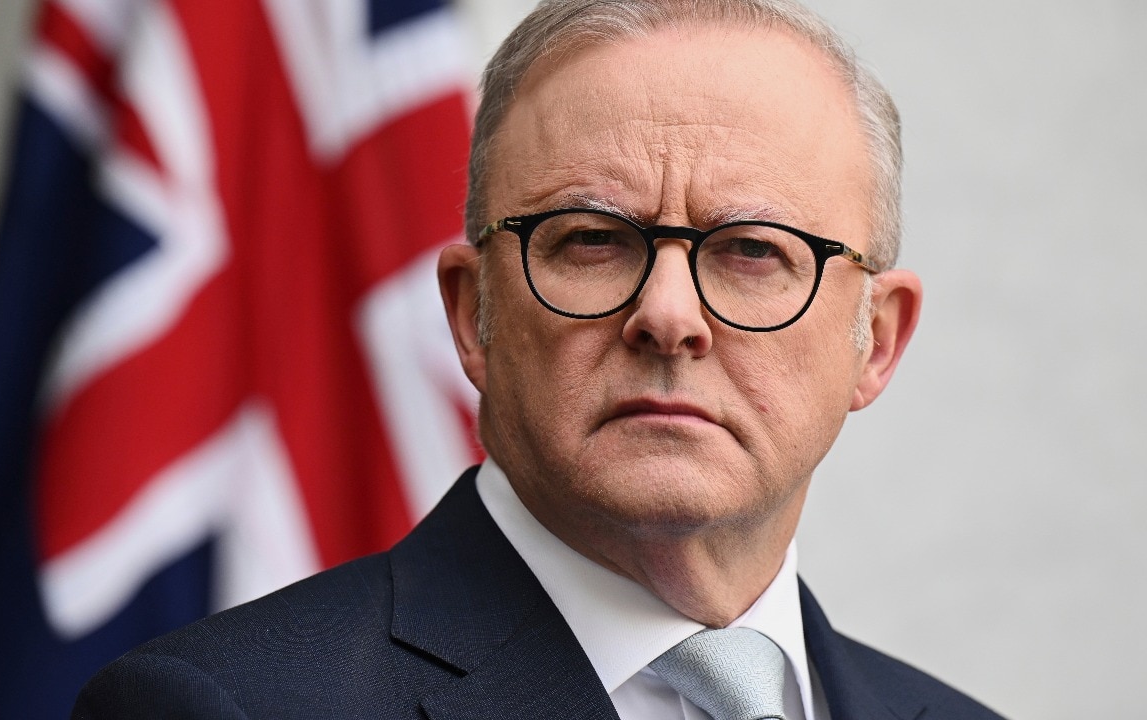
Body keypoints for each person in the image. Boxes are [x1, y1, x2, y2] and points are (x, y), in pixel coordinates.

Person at [73, 0, 1005, 718]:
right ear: (472, 315)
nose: (668, 315)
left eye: (753, 252)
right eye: (592, 240)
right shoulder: (219, 708)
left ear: (877, 340)